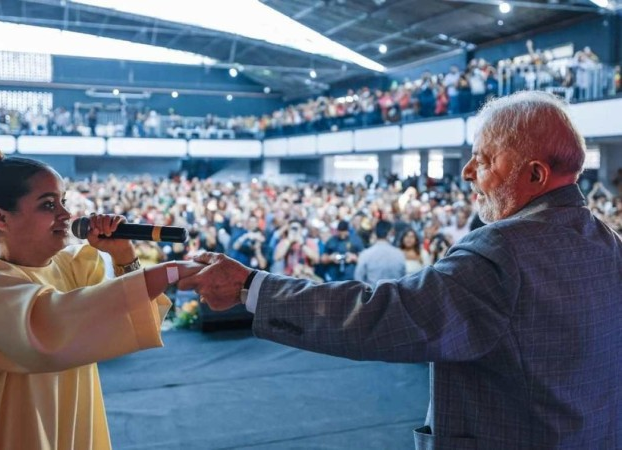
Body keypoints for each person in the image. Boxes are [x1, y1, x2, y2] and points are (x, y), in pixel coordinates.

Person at [178, 91, 622, 449]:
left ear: (536, 175)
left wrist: (252, 287)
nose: (467, 171)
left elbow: (381, 316)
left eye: (484, 159)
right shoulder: (607, 243)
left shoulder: (505, 250)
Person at [0, 149, 202, 450]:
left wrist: (123, 254)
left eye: (63, 202)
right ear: (0, 218)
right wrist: (171, 272)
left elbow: (121, 321)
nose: (66, 215)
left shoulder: (71, 266)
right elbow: (51, 328)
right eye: (48, 204)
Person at [354, 220, 406, 287]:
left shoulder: (365, 254)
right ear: (389, 233)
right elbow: (403, 279)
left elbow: (358, 279)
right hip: (394, 294)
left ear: (375, 233)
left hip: (372, 294)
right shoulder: (399, 254)